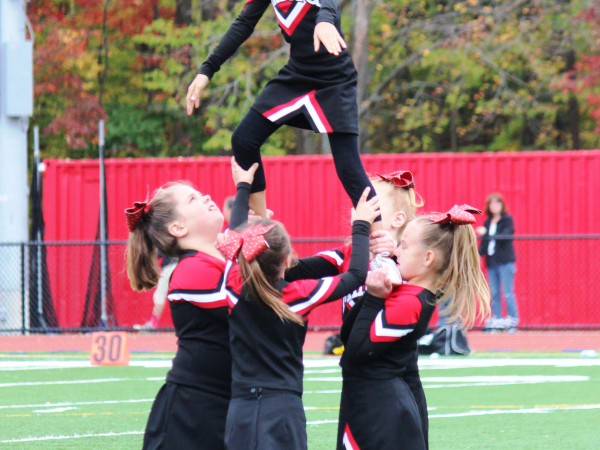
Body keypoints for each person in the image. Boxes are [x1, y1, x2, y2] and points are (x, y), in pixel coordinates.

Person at [218, 159, 380, 450]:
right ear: (288, 260)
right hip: (282, 408)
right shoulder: (297, 294)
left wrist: (243, 186)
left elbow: (232, 242)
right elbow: (356, 275)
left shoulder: (232, 285)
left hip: (239, 407)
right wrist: (361, 226)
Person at [185, 0, 384, 235]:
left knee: (348, 167)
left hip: (336, 81)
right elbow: (243, 23)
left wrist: (325, 20)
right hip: (297, 74)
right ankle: (260, 229)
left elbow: (328, 3)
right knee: (243, 139)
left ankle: (383, 247)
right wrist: (206, 70)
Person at [337, 205, 491, 450]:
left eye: (404, 246)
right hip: (367, 403)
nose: (396, 251)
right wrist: (371, 295)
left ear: (428, 258)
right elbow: (348, 335)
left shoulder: (411, 302)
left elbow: (354, 353)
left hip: (381, 411)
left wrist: (375, 298)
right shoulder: (406, 292)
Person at [125, 181, 238, 450]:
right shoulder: (192, 270)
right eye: (193, 199)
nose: (207, 196)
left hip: (223, 404)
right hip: (192, 416)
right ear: (178, 228)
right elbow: (250, 310)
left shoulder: (220, 260)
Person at [476, 193, 518, 332]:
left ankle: (512, 321)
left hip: (505, 262)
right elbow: (485, 243)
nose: (495, 206)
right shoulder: (488, 221)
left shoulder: (507, 220)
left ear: (502, 205)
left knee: (507, 292)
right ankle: (497, 321)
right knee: (493, 293)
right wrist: (475, 255)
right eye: (492, 204)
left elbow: (504, 236)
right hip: (491, 262)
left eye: (497, 203)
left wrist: (486, 233)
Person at [133, 254, 177, 330]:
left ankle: (153, 325)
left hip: (171, 265)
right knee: (184, 295)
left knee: (160, 295)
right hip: (182, 264)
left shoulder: (166, 242)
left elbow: (160, 250)